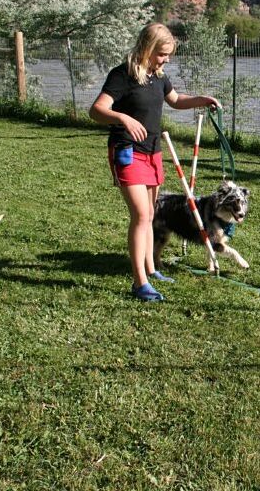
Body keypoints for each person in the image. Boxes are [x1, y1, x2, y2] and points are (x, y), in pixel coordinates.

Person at [90, 22, 221, 301]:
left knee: (150, 215)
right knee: (141, 216)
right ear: (147, 49)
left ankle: (151, 268)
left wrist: (202, 99)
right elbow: (97, 110)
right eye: (162, 54)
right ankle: (139, 283)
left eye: (168, 54)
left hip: (152, 152)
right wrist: (123, 117)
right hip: (127, 151)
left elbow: (176, 100)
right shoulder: (122, 75)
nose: (166, 59)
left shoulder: (158, 76)